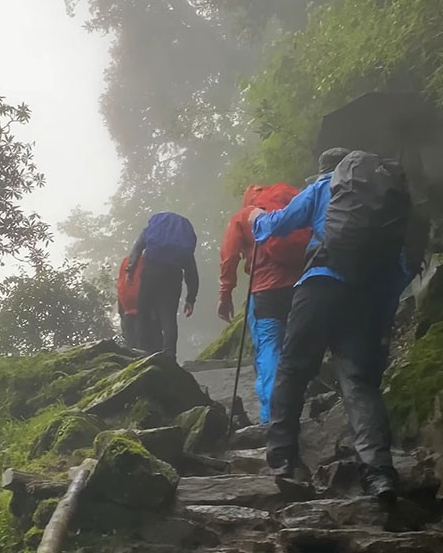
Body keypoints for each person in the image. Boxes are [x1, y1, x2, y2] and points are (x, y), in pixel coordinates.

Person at [249, 147, 416, 500]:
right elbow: (400, 264)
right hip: (367, 294)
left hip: (322, 283)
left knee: (293, 369)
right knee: (359, 382)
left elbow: (274, 226)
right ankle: (379, 473)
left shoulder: (324, 187)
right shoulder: (384, 199)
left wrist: (254, 219)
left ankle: (283, 461)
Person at [218, 184, 310, 424]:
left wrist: (225, 295)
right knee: (298, 346)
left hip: (265, 292)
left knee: (269, 349)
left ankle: (274, 417)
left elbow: (228, 258)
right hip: (301, 287)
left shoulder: (244, 216)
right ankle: (300, 405)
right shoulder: (291, 205)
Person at [126, 212, 199, 358]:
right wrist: (191, 298)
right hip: (173, 277)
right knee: (169, 317)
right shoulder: (181, 241)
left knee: (143, 313)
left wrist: (131, 270)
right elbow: (191, 271)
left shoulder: (151, 231)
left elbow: (137, 248)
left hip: (151, 273)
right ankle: (170, 354)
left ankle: (142, 352)